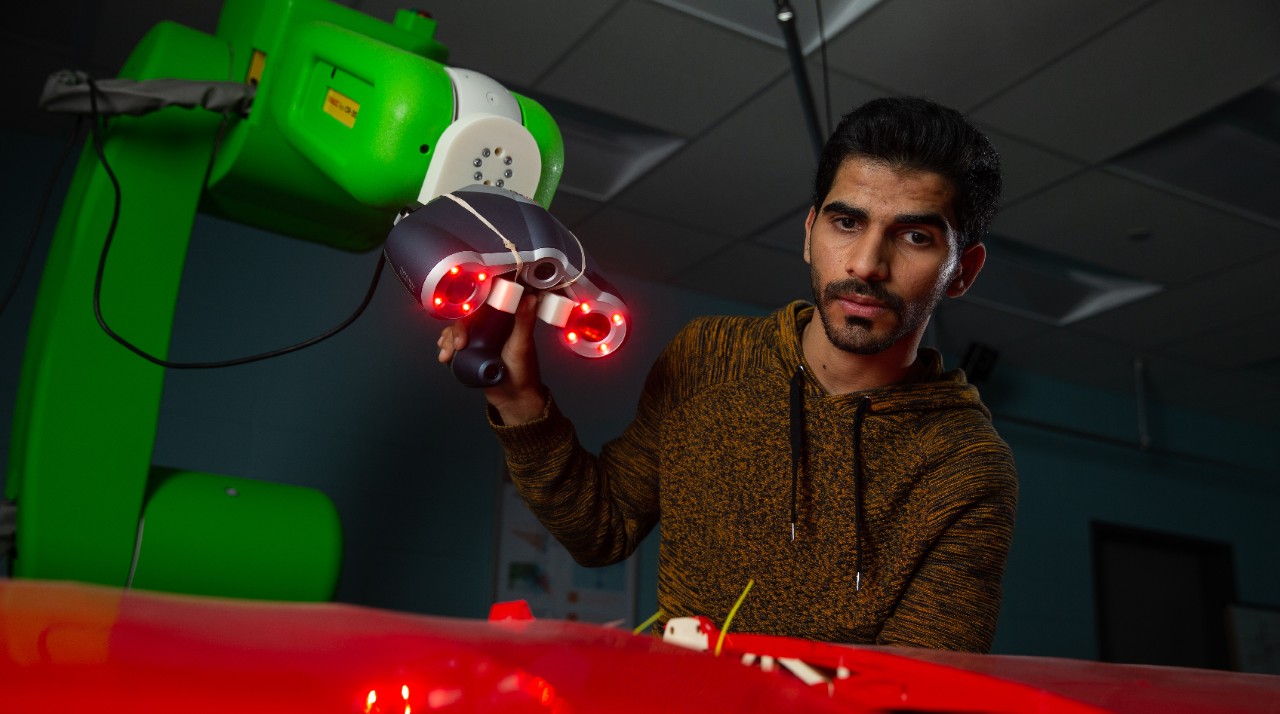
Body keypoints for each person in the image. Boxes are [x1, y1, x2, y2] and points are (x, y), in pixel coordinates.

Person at [438, 96, 1018, 653]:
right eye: (846, 222)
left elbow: (922, 689)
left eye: (915, 236)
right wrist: (519, 400)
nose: (867, 263)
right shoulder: (707, 355)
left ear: (962, 270)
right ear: (810, 233)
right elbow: (601, 529)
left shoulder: (966, 462)